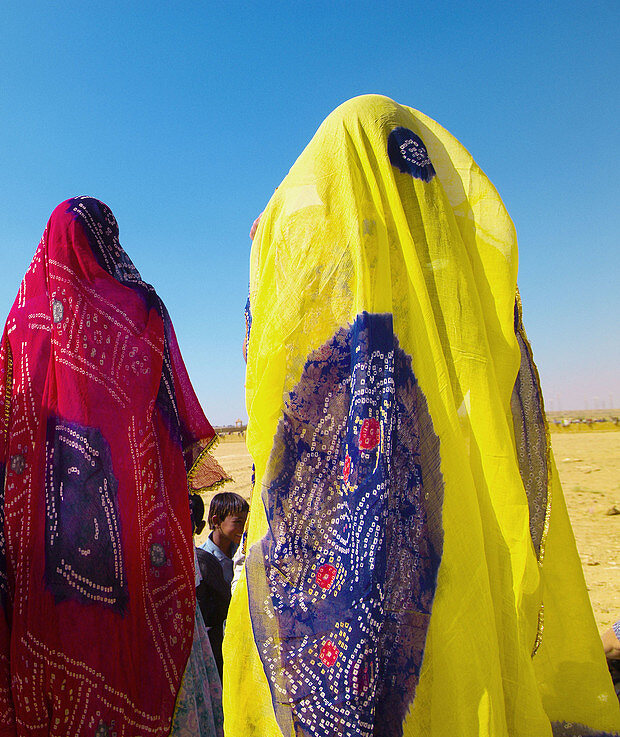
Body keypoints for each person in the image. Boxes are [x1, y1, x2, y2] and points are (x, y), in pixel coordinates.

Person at [225, 94, 620, 736]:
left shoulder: (322, 335)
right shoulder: (457, 343)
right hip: (457, 587)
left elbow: (268, 390)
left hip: (343, 616)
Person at [0, 196, 224, 737]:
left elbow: (5, 432)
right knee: (142, 663)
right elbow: (175, 428)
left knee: (61, 654)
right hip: (132, 538)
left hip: (43, 550)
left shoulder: (24, 322)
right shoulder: (142, 308)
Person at [196, 492, 248, 676]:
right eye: (238, 522)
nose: (243, 528)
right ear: (217, 520)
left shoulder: (243, 556)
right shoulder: (201, 561)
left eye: (245, 522)